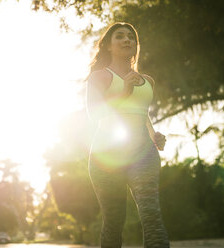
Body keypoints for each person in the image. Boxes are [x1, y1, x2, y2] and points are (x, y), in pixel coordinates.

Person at [86, 22, 170, 248]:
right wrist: (123, 92)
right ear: (108, 46)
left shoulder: (147, 81)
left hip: (143, 153)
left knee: (151, 214)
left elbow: (142, 114)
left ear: (136, 45)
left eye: (130, 37)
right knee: (113, 222)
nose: (126, 40)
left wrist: (154, 136)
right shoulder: (99, 77)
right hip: (107, 156)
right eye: (119, 36)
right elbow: (95, 115)